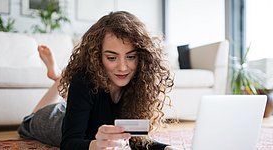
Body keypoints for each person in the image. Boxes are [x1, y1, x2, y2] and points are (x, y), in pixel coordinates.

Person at [18, 11, 175, 150]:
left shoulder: (139, 83)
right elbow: (69, 143)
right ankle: (60, 79)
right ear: (97, 57)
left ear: (141, 57)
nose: (122, 67)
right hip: (55, 121)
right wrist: (96, 146)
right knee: (29, 120)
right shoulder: (83, 80)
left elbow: (137, 141)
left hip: (76, 111)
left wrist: (167, 148)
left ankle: (60, 78)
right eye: (112, 57)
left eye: (131, 57)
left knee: (72, 106)